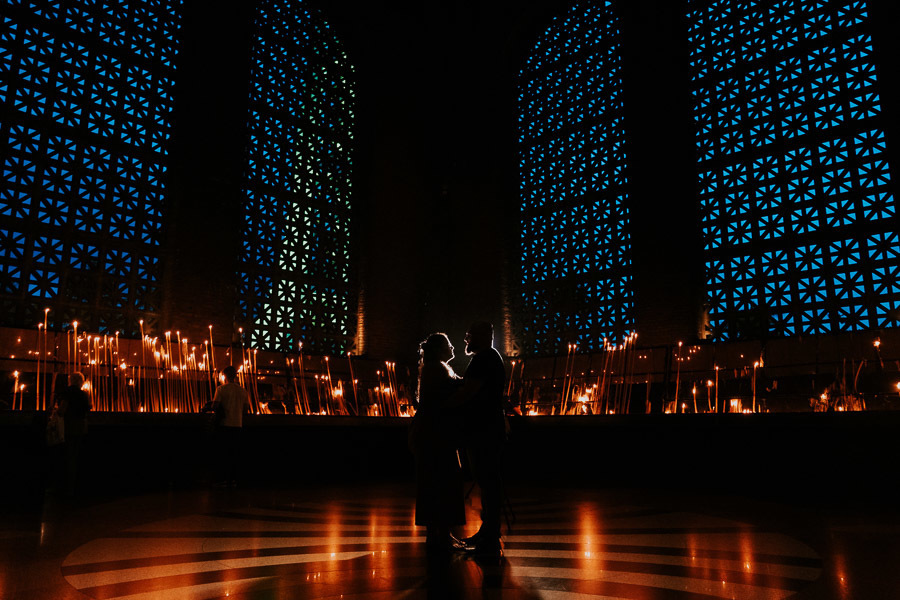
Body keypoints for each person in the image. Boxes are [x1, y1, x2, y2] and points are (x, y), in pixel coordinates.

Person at [409, 333, 466, 554]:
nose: (453, 347)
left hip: (431, 433)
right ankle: (440, 534)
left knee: (434, 481)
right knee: (442, 481)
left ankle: (438, 534)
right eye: (448, 344)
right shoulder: (438, 369)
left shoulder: (435, 368)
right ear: (440, 349)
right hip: (436, 435)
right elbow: (455, 391)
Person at [453, 321, 507, 556]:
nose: (466, 340)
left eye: (469, 335)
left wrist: (442, 405)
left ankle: (490, 535)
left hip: (483, 430)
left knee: (487, 481)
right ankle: (488, 532)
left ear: (483, 337)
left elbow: (468, 392)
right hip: (488, 428)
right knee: (488, 482)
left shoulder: (484, 359)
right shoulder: (491, 357)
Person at [213, 365, 250, 486]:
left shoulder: (221, 389)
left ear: (225, 376)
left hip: (225, 424)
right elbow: (246, 409)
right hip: (238, 425)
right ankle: (234, 479)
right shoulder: (243, 391)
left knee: (224, 453)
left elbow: (215, 406)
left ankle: (224, 479)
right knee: (235, 453)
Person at [57, 371, 92, 497]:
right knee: (77, 455)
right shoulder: (84, 394)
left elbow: (62, 410)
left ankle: (67, 487)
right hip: (81, 427)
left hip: (69, 427)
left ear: (70, 380)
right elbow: (88, 408)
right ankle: (76, 485)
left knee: (68, 455)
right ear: (81, 381)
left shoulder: (67, 393)